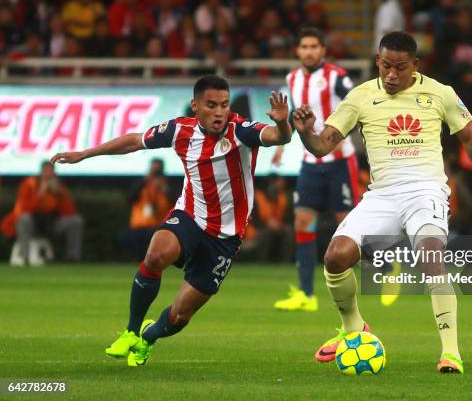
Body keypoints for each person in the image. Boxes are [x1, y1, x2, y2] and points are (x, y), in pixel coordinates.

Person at [291, 32, 472, 374]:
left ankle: (450, 353)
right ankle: (353, 330)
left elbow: (470, 139)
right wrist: (304, 131)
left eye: (400, 68)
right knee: (336, 256)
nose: (391, 75)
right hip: (382, 195)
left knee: (431, 257)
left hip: (426, 190)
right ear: (378, 62)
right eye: (386, 66)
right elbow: (321, 146)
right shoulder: (360, 97)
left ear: (415, 66)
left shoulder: (440, 93)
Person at [51, 75, 291, 367]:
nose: (219, 112)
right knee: (156, 253)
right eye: (211, 105)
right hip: (190, 216)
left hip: (225, 239)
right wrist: (85, 154)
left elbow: (279, 137)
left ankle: (148, 337)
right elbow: (133, 141)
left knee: (180, 315)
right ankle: (130, 331)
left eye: (224, 105)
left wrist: (282, 122)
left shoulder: (241, 130)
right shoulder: (180, 130)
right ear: (195, 106)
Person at [272, 27, 359, 312]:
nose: (309, 51)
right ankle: (306, 294)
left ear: (322, 50)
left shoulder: (337, 76)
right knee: (302, 223)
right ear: (298, 51)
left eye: (314, 46)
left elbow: (356, 105)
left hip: (339, 160)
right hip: (310, 163)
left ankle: (383, 267)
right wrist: (283, 145)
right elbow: (294, 114)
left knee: (348, 226)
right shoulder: (292, 78)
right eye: (304, 47)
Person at [1, 161, 83, 266]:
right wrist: (40, 194)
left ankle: (73, 258)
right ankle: (24, 257)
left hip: (51, 224)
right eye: (46, 172)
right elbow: (25, 209)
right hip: (33, 223)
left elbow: (70, 212)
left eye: (51, 172)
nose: (49, 175)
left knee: (76, 221)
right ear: (41, 172)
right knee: (24, 219)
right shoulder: (29, 184)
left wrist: (59, 194)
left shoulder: (57, 186)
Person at [118, 159, 172, 260]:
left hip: (159, 226)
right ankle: (140, 259)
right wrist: (145, 181)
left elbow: (175, 201)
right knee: (125, 236)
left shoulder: (167, 186)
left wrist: (165, 188)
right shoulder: (141, 186)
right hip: (139, 227)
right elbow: (129, 198)